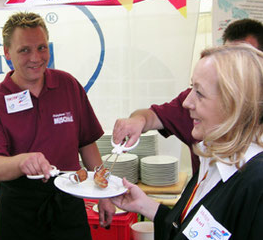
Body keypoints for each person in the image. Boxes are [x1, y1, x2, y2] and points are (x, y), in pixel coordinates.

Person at [0, 12, 115, 240]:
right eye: (24, 50)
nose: (36, 57)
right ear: (7, 53)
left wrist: (104, 193)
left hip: (68, 203)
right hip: (20, 213)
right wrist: (21, 162)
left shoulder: (68, 86)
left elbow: (87, 143)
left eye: (42, 48)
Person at [111, 44, 263, 240]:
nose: (187, 102)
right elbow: (192, 231)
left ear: (234, 104)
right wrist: (146, 206)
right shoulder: (212, 159)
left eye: (199, 93)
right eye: (192, 88)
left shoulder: (256, 183)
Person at [112, 18, 263, 174]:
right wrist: (139, 120)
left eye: (242, 61)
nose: (188, 103)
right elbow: (153, 115)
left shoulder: (254, 172)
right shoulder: (195, 105)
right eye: (225, 56)